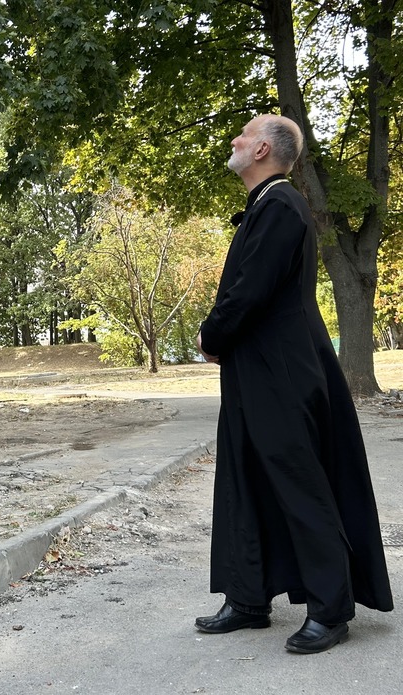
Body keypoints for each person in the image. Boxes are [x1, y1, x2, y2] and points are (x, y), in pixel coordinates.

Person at [194, 114, 393, 654]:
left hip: (280, 372)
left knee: (299, 482)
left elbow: (249, 292)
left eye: (243, 134)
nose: (234, 140)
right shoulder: (268, 206)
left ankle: (330, 610)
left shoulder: (281, 206)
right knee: (246, 478)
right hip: (255, 368)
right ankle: (249, 597)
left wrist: (210, 335)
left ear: (262, 150)